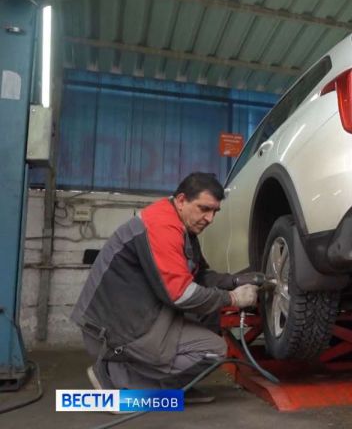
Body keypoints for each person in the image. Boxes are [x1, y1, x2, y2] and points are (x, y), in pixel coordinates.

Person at [71, 172, 261, 403]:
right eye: (204, 209)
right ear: (181, 200)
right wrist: (232, 298)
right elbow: (181, 295)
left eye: (215, 211)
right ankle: (116, 379)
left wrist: (235, 281)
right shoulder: (162, 227)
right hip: (115, 332)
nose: (210, 218)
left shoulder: (182, 228)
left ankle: (169, 388)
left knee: (209, 332)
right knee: (212, 350)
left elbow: (199, 276)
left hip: (137, 319)